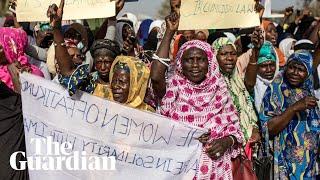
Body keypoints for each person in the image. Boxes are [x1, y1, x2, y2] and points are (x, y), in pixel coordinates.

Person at [151, 12, 243, 179]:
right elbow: (156, 77)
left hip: (215, 170)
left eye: (200, 59)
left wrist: (225, 142)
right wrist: (170, 32)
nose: (195, 65)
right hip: (178, 170)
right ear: (180, 63)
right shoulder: (173, 87)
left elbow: (235, 131)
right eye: (189, 60)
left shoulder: (219, 89)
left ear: (209, 63)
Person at [259, 50, 320, 179]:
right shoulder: (275, 90)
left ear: (308, 72)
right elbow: (268, 128)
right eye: (291, 67)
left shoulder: (308, 89)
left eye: (300, 69)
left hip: (309, 167)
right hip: (284, 166)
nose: (295, 73)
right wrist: (294, 108)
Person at [212, 37, 260, 146]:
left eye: (233, 54)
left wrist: (254, 129)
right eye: (223, 54)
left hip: (247, 144)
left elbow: (248, 108)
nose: (229, 58)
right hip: (225, 145)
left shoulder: (237, 80)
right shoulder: (212, 84)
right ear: (214, 56)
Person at [254, 41, 279, 112]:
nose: (269, 70)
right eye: (263, 66)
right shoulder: (252, 85)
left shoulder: (282, 81)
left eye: (272, 65)